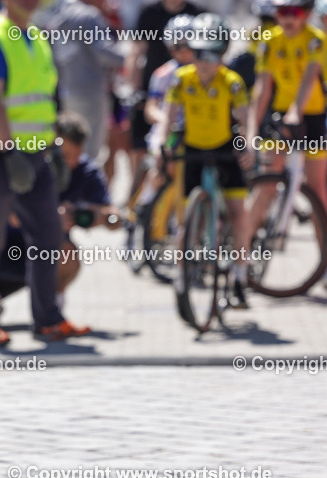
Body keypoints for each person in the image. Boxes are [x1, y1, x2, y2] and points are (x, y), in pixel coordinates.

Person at [0, 0, 91, 346]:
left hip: (38, 154)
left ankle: (48, 319)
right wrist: (9, 151)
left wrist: (54, 144)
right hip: (1, 156)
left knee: (48, 239)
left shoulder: (36, 36)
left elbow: (46, 97)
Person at [153, 13, 255, 308]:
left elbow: (245, 119)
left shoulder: (232, 82)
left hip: (224, 148)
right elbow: (168, 116)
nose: (204, 62)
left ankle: (240, 275)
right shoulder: (181, 80)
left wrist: (247, 144)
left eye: (212, 54)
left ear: (222, 54)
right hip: (194, 149)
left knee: (239, 213)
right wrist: (163, 140)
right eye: (198, 54)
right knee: (187, 222)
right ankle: (182, 272)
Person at [0, 113, 119, 302]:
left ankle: (52, 303)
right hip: (10, 247)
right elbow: (10, 216)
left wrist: (98, 217)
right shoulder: (30, 165)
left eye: (77, 156)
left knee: (65, 252)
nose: (71, 163)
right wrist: (51, 218)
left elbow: (112, 214)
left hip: (49, 251)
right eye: (66, 156)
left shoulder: (86, 170)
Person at [248, 0, 327, 214]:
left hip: (312, 116)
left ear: (307, 14)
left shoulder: (316, 40)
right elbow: (262, 87)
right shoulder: (269, 40)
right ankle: (243, 245)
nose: (288, 18)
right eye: (282, 12)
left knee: (317, 189)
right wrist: (251, 130)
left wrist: (296, 111)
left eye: (294, 12)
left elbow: (310, 79)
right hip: (279, 113)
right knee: (266, 185)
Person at [127, 0, 203, 173]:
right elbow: (135, 52)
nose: (183, 51)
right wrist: (134, 87)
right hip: (160, 103)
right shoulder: (148, 13)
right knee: (159, 162)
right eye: (177, 47)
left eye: (188, 46)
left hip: (197, 128)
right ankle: (144, 196)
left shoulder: (204, 72)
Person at [44, 0, 123, 161]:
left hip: (66, 91)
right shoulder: (88, 16)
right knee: (89, 151)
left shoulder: (55, 14)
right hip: (91, 92)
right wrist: (128, 58)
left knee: (70, 146)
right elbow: (104, 52)